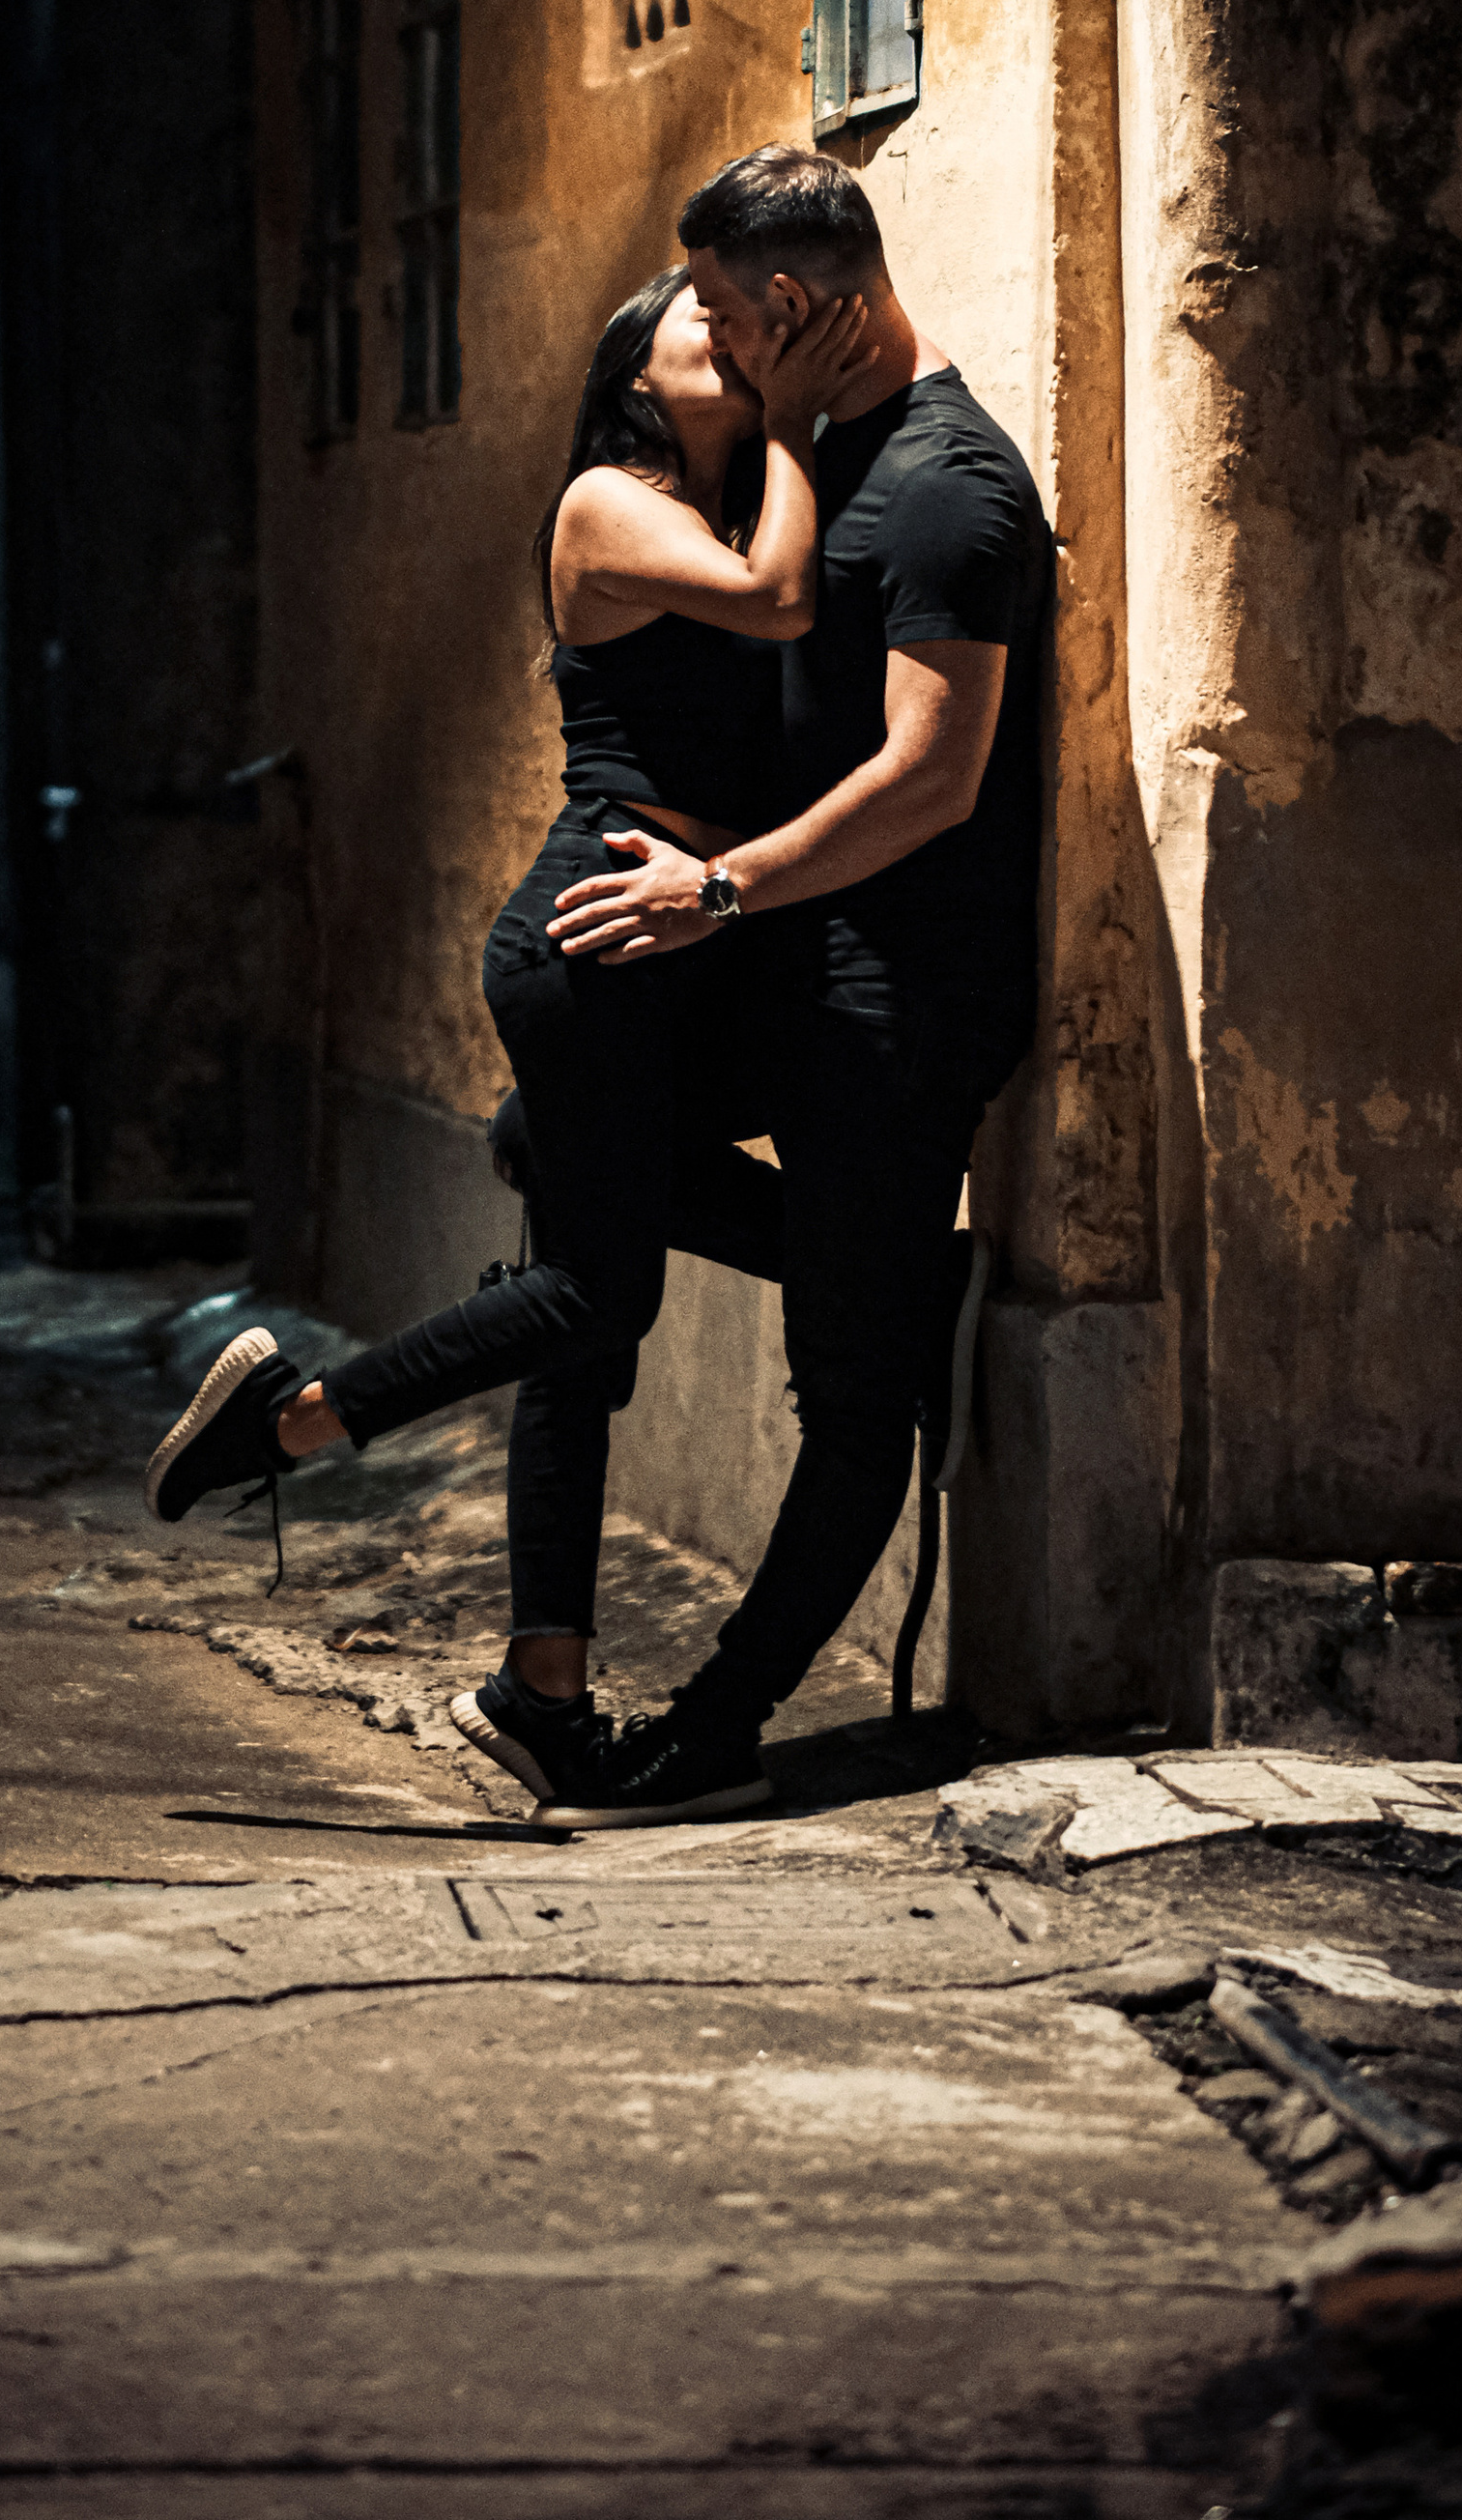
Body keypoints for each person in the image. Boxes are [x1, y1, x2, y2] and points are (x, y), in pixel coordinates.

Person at [139, 261, 870, 1811]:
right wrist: (800, 417)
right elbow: (779, 603)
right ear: (634, 379)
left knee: (585, 1311)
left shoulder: (742, 504)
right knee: (595, 1290)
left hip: (679, 952)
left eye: (740, 314)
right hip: (594, 939)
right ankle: (292, 1418)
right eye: (697, 318)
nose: (729, 329)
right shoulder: (609, 502)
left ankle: (542, 1696)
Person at [535, 142, 1051, 1828]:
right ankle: (908, 1274)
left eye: (713, 306)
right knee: (555, 1146)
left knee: (850, 1392)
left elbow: (931, 779)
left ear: (784, 303)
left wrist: (722, 887)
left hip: (897, 997)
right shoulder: (835, 451)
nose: (697, 330)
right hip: (797, 973)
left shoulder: (950, 489)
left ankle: (721, 1725)